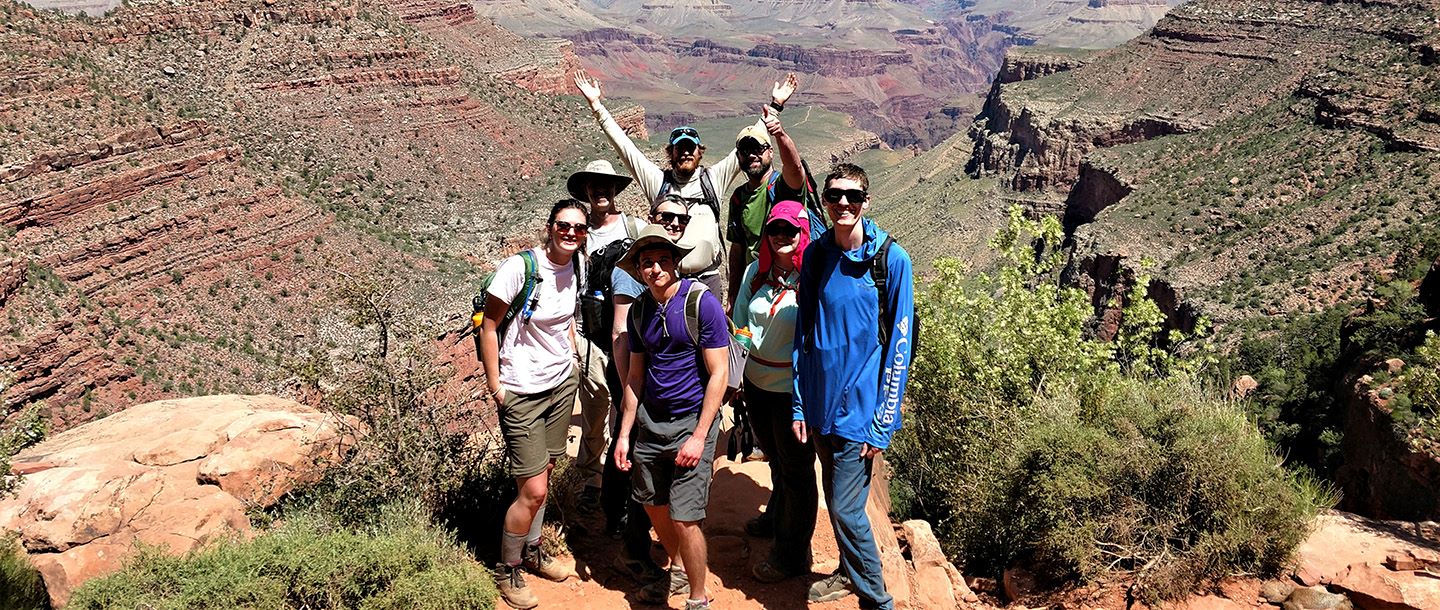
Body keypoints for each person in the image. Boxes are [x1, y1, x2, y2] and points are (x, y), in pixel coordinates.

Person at [792, 164, 914, 609]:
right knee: (836, 498)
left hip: (861, 411)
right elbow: (804, 333)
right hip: (820, 406)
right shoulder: (816, 256)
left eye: (853, 197)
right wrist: (800, 404)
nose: (843, 204)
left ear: (867, 201)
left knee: (845, 509)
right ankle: (847, 572)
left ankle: (877, 600)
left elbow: (900, 344)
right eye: (835, 196)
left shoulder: (891, 261)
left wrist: (882, 423)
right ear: (824, 200)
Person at [574, 69, 797, 300]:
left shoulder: (713, 179)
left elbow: (747, 143)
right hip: (669, 282)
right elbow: (626, 148)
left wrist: (775, 106)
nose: (686, 153)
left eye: (691, 148)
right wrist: (596, 106)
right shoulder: (658, 182)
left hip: (709, 280)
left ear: (700, 152)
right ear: (671, 152)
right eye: (680, 148)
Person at [613, 225, 731, 610]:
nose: (656, 268)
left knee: (686, 516)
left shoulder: (701, 304)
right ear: (638, 271)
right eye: (647, 263)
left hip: (692, 419)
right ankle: (678, 568)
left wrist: (699, 435)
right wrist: (625, 434)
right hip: (651, 420)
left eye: (663, 259)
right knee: (651, 502)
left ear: (676, 261)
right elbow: (634, 375)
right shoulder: (640, 312)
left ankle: (698, 599)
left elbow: (719, 372)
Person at [480, 200, 588, 610]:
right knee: (534, 490)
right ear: (550, 226)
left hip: (561, 384)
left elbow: (567, 321)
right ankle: (507, 568)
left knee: (544, 472)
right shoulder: (519, 269)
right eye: (564, 225)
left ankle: (534, 549)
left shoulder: (577, 267)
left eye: (579, 228)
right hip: (521, 390)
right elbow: (490, 326)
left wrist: (573, 361)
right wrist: (496, 386)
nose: (571, 233)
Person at [601, 196, 695, 586]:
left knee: (650, 472)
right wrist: (629, 393)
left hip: (659, 389)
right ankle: (633, 548)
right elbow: (621, 335)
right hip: (637, 383)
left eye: (680, 218)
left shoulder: (665, 270)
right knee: (640, 471)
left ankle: (650, 546)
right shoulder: (635, 271)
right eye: (665, 217)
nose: (673, 222)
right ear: (651, 218)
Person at [731, 200, 817, 583]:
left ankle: (791, 555)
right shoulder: (755, 273)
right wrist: (735, 377)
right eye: (774, 230)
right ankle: (775, 519)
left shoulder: (812, 277)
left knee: (797, 471)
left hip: (792, 392)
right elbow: (740, 323)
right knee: (776, 461)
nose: (781, 236)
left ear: (802, 234)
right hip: (756, 385)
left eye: (789, 230)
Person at [568, 159, 645, 511]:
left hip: (632, 335)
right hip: (590, 334)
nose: (601, 190)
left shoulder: (635, 227)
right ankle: (590, 478)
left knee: (628, 404)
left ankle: (625, 477)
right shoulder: (578, 233)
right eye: (594, 185)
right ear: (586, 191)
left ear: (615, 190)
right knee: (596, 407)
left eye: (607, 184)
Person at [725, 75, 823, 309]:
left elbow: (795, 168)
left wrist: (779, 134)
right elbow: (738, 250)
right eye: (745, 150)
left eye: (758, 148)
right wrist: (733, 296)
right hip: (757, 285)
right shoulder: (738, 197)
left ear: (769, 152)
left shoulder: (782, 188)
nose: (752, 155)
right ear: (738, 156)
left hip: (792, 284)